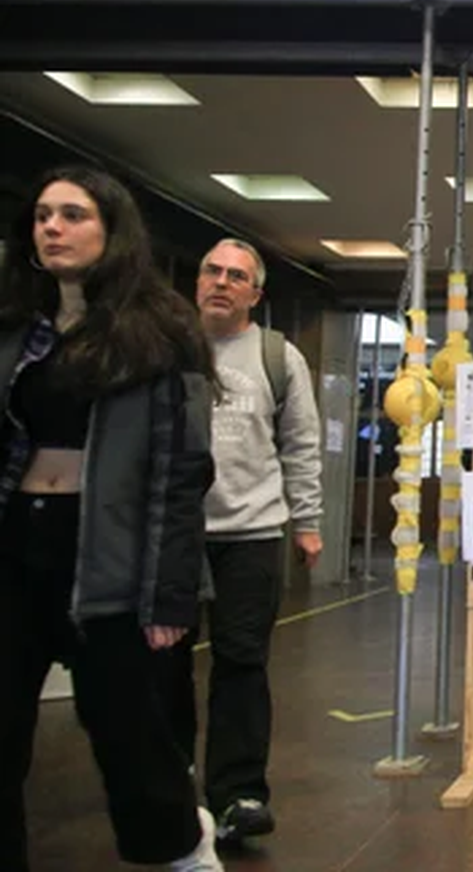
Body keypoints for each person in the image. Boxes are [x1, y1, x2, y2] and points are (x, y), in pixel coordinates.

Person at [0, 165, 222, 870]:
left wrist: (170, 592)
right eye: (42, 216)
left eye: (72, 215)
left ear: (112, 230)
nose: (53, 228)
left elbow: (182, 469)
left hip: (109, 556)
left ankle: (185, 849)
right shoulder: (14, 330)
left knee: (128, 734)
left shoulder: (158, 332)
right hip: (17, 543)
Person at [188, 237, 323, 844]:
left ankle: (238, 794)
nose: (221, 282)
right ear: (197, 281)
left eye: (235, 276)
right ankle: (171, 784)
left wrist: (309, 519)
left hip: (252, 533)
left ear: (254, 294)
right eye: (212, 271)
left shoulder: (276, 356)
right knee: (160, 669)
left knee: (241, 665)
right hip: (174, 537)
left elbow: (300, 442)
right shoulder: (164, 348)